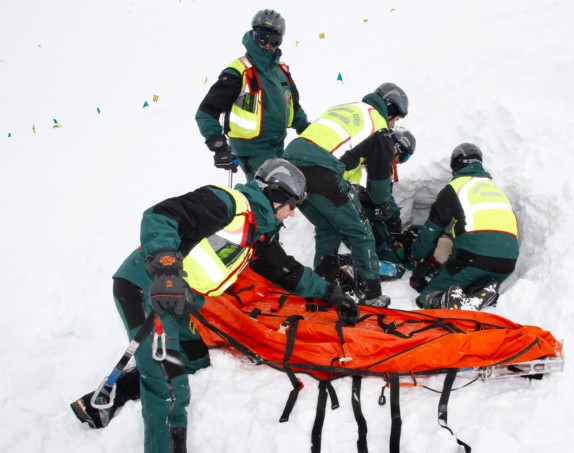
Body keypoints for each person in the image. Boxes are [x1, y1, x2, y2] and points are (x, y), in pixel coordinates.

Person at [70, 159, 359, 452]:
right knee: (172, 387)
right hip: (148, 288)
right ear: (276, 196)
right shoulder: (227, 204)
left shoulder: (259, 232)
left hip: (182, 299)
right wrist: (167, 272)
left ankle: (108, 397)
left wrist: (333, 295)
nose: (293, 212)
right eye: (292, 204)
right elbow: (160, 217)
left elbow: (287, 271)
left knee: (193, 358)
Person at [283, 82, 409, 307]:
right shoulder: (379, 129)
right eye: (396, 118)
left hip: (291, 163)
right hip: (321, 169)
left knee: (327, 228)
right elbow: (379, 183)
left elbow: (342, 152)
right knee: (361, 233)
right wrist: (383, 204)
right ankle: (369, 295)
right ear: (390, 110)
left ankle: (324, 283)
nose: (394, 123)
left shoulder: (350, 109)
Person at [195, 9, 310, 180]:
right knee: (272, 194)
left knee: (290, 191)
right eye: (262, 38)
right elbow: (206, 111)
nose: (267, 45)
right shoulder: (239, 71)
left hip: (277, 148)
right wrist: (219, 146)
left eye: (274, 40)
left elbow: (294, 107)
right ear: (253, 35)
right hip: (251, 151)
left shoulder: (281, 71)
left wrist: (311, 134)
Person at [409, 143, 519, 310]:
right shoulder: (496, 190)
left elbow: (432, 230)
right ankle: (476, 293)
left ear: (455, 166)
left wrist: (416, 255)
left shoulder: (454, 189)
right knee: (468, 278)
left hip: (474, 259)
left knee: (426, 297)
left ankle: (446, 301)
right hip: (507, 264)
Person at [343, 126, 416, 265]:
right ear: (396, 147)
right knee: (381, 248)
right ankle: (355, 262)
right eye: (404, 156)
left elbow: (385, 196)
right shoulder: (365, 154)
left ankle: (365, 258)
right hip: (341, 202)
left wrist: (394, 219)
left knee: (382, 233)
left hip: (357, 204)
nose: (400, 162)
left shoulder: (386, 166)